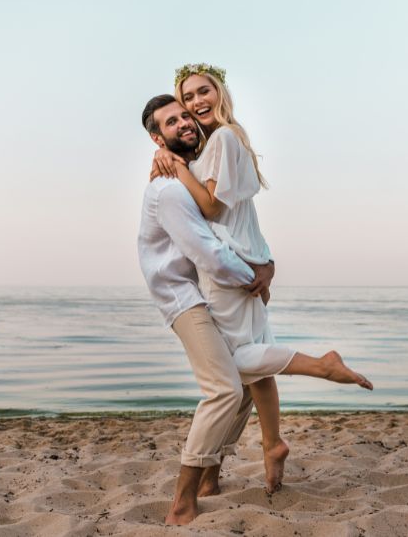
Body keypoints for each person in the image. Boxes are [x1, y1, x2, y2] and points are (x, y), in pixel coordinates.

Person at [149, 64, 372, 497]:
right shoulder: (228, 139)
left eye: (202, 92)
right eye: (188, 98)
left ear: (220, 91)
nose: (196, 103)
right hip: (249, 262)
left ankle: (322, 365)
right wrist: (265, 262)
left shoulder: (223, 140)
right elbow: (244, 214)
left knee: (235, 363)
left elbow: (212, 210)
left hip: (228, 268)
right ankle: (273, 443)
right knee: (253, 365)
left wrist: (175, 167)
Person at [138, 94, 275, 525]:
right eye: (170, 121)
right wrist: (253, 277)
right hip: (184, 298)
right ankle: (183, 499)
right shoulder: (169, 191)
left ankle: (211, 477)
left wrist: (265, 264)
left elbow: (229, 229)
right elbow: (210, 255)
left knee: (244, 377)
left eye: (184, 116)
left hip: (206, 291)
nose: (183, 122)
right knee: (224, 390)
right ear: (156, 137)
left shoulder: (191, 175)